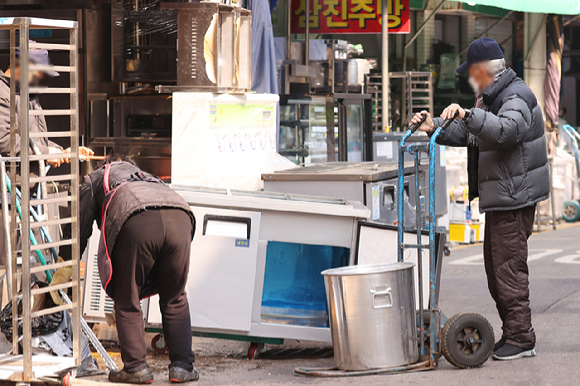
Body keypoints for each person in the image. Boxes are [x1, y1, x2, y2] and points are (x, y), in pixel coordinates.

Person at [410, 37, 549, 361]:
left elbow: (507, 131)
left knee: (507, 270)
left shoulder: (514, 95)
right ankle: (514, 333)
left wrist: (469, 113)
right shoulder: (493, 97)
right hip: (505, 195)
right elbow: (474, 135)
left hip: (514, 198)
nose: (469, 80)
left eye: (471, 74)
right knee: (496, 268)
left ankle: (520, 337)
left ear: (483, 71)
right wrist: (436, 127)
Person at [57, 154, 198, 383]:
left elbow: (78, 227)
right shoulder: (147, 177)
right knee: (175, 297)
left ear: (105, 165)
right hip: (181, 217)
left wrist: (64, 265)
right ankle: (183, 367)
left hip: (136, 219)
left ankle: (136, 368)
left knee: (127, 298)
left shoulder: (96, 178)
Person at [0, 42, 93, 267]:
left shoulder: (29, 95)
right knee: (9, 268)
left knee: (35, 267)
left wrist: (63, 152)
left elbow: (34, 139)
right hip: (7, 199)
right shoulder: (2, 94)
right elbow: (4, 141)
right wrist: (43, 154)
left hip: (28, 195)